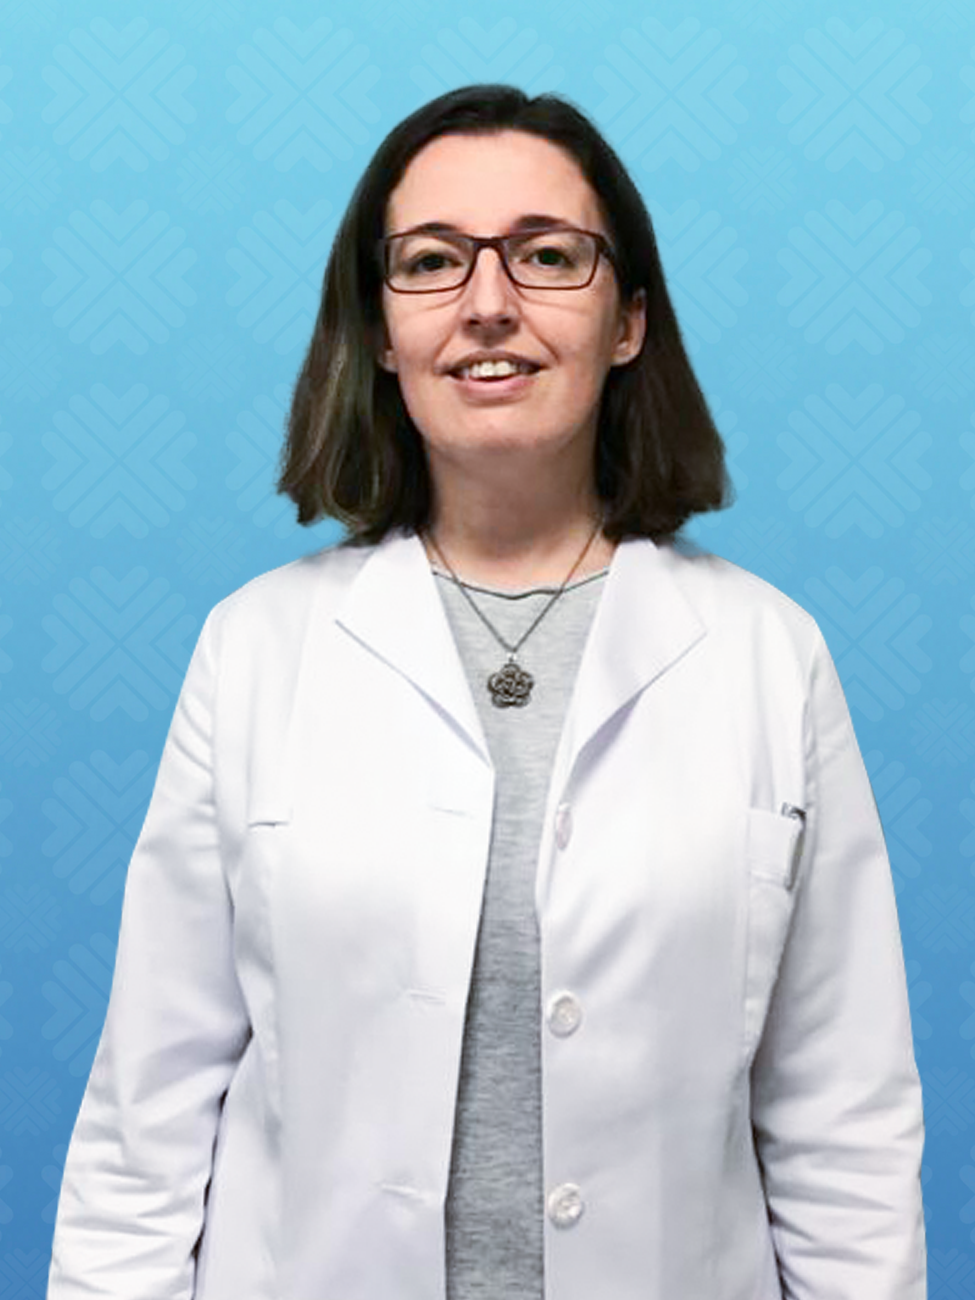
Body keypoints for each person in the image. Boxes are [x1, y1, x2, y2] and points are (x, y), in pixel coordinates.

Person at [48, 85, 926, 1300]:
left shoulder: (766, 653)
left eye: (547, 255)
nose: (488, 302)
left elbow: (843, 1122)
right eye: (431, 261)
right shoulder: (256, 648)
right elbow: (146, 1116)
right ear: (380, 329)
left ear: (628, 320)